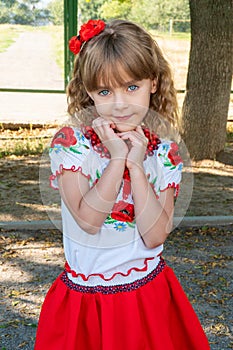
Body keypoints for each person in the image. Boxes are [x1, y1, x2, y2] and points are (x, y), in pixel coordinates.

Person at [35, 19, 210, 349]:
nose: (120, 103)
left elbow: (156, 234)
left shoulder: (165, 153)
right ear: (89, 93)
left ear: (153, 83)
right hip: (86, 303)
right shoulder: (72, 144)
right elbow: (88, 221)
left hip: (148, 296)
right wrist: (116, 159)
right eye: (105, 91)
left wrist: (137, 166)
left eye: (132, 87)